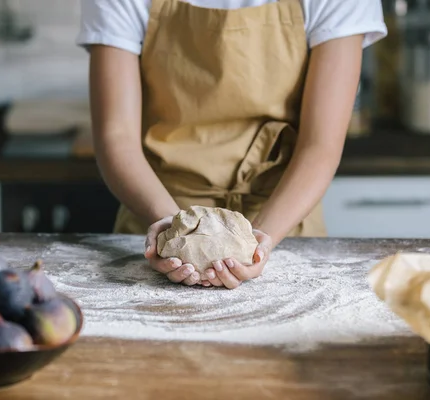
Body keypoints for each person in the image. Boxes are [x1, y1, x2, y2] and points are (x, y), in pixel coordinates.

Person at [77, 0, 387, 289]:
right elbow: (117, 137)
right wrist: (171, 228)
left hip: (285, 227)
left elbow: (320, 144)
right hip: (156, 222)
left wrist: (259, 241)